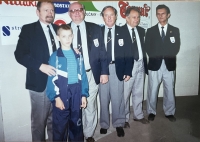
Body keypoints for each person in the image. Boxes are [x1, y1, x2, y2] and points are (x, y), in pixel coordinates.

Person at [14, 1, 59, 141]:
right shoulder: (29, 29)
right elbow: (20, 54)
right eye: (46, 10)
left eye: (51, 10)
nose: (50, 13)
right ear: (37, 12)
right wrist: (40, 66)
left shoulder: (59, 29)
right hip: (40, 84)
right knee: (39, 124)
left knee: (55, 122)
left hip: (59, 84)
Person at [68, 2, 109, 142]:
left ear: (84, 11)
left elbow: (102, 52)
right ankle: (76, 134)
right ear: (69, 14)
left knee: (90, 104)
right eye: (73, 11)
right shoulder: (64, 30)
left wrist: (104, 72)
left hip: (91, 73)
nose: (77, 12)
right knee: (74, 106)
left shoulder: (96, 28)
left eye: (79, 9)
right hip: (72, 76)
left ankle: (89, 133)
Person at [46, 24, 89, 142]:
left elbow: (83, 76)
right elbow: (51, 80)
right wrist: (56, 97)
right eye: (64, 36)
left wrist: (84, 94)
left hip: (76, 93)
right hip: (62, 94)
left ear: (73, 36)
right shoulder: (55, 57)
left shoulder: (78, 55)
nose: (68, 39)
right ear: (58, 38)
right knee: (60, 127)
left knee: (76, 124)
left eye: (70, 36)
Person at [99, 6, 132, 137]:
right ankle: (104, 124)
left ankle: (119, 123)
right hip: (103, 69)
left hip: (118, 68)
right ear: (102, 17)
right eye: (106, 15)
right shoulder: (98, 31)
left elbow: (129, 53)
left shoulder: (123, 31)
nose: (109, 17)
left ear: (116, 16)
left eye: (111, 14)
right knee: (103, 98)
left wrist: (128, 71)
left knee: (118, 98)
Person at [145, 4, 180, 122]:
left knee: (169, 89)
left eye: (163, 13)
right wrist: (158, 56)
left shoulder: (174, 30)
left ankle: (169, 112)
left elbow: (176, 47)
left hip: (169, 65)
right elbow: (147, 48)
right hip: (155, 65)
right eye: (158, 13)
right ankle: (151, 111)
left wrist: (166, 56)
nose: (160, 15)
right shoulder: (150, 31)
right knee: (152, 89)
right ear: (156, 15)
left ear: (168, 15)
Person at [121, 6, 149, 128]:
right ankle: (125, 118)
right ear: (127, 18)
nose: (136, 20)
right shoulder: (120, 31)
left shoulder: (142, 31)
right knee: (125, 94)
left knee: (138, 91)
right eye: (133, 17)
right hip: (128, 66)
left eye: (138, 17)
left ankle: (138, 115)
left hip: (140, 64)